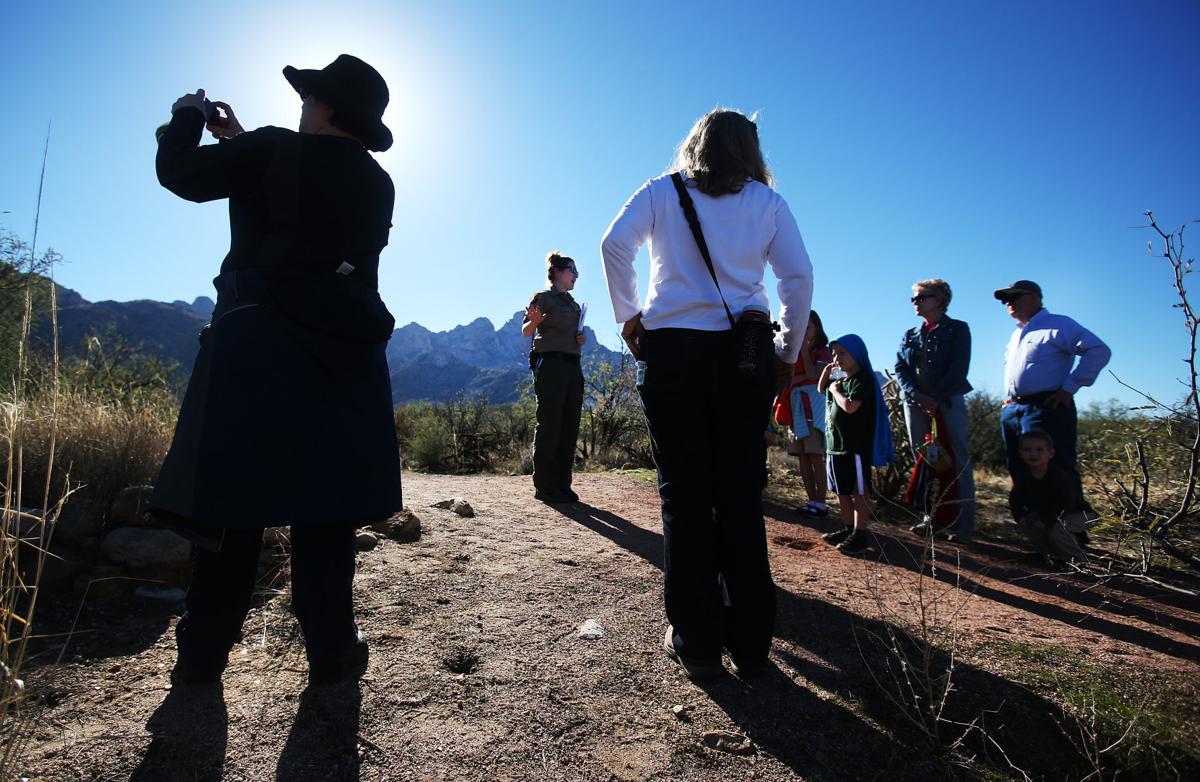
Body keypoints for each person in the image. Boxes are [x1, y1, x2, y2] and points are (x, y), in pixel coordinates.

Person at [149, 55, 402, 686]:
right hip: (344, 352)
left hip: (258, 346)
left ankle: (202, 658)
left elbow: (179, 174)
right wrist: (241, 143)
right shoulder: (378, 182)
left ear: (323, 106)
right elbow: (309, 210)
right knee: (326, 508)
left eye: (308, 97)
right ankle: (334, 653)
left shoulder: (272, 153)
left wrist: (186, 118)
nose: (301, 105)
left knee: (232, 507)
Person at [601, 109, 813, 680]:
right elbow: (797, 279)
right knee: (741, 496)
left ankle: (695, 641)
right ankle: (750, 644)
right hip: (743, 357)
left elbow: (613, 246)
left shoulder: (661, 192)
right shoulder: (768, 204)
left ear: (694, 144)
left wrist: (629, 317)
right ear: (751, 151)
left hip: (671, 353)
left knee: (685, 496)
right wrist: (787, 352)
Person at [996, 280, 1111, 498]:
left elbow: (1098, 350)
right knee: (1020, 467)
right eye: (1005, 300)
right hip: (1014, 409)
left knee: (1056, 468)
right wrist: (1009, 401)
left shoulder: (1059, 324)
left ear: (1035, 298)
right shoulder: (1016, 335)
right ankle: (1033, 523)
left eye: (1015, 296)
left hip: (1047, 406)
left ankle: (1068, 526)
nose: (1009, 303)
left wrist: (1069, 387)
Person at [894, 278, 976, 542]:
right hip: (915, 404)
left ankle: (963, 525)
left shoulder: (958, 329)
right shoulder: (910, 334)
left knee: (957, 459)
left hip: (948, 403)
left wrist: (934, 398)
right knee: (927, 460)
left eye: (922, 297)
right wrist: (917, 395)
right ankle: (931, 519)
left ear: (940, 299)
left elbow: (958, 368)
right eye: (914, 298)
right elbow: (900, 368)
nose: (916, 303)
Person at [818, 334, 895, 556]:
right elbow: (821, 389)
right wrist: (827, 375)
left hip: (855, 447)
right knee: (841, 490)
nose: (837, 357)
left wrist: (835, 391)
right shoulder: (839, 381)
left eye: (843, 352)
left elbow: (850, 407)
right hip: (836, 445)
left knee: (858, 490)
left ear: (858, 354)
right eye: (834, 353)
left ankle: (860, 533)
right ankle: (847, 528)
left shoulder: (863, 379)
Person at [522, 252, 586, 503]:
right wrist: (534, 322)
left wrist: (581, 339)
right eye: (572, 271)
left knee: (569, 426)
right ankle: (545, 486)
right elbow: (526, 330)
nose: (576, 276)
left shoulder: (574, 304)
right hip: (551, 366)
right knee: (550, 425)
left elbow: (576, 334)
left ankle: (563, 485)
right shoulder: (543, 298)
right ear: (558, 272)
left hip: (573, 366)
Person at [1009, 430, 1090, 565]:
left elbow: (1065, 503)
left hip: (1078, 513)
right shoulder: (1024, 477)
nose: (1033, 453)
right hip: (1050, 514)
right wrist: (1021, 517)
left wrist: (1046, 520)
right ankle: (1049, 555)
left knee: (1058, 529)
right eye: (1027, 449)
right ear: (1020, 453)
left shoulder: (1058, 476)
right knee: (1029, 523)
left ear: (1051, 453)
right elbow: (1015, 500)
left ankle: (1079, 562)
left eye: (1039, 449)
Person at [789, 310, 832, 517]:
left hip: (813, 406)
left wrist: (805, 353)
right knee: (802, 454)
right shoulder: (792, 349)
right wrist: (800, 377)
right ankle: (811, 499)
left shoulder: (823, 351)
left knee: (815, 454)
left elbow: (815, 375)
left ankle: (821, 502)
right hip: (796, 403)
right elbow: (790, 377)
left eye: (809, 327)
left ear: (817, 328)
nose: (805, 330)